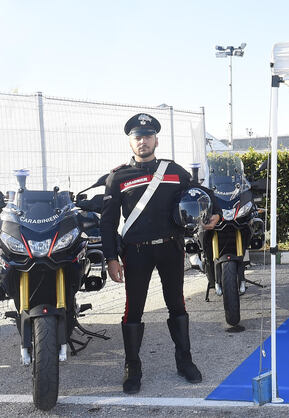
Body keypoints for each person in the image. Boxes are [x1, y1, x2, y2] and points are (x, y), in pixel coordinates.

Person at [100, 113, 220, 394]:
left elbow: (202, 192)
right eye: (137, 137)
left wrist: (215, 213)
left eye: (147, 136)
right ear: (131, 141)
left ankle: (184, 360)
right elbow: (107, 223)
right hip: (136, 252)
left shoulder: (173, 171)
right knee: (134, 309)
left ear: (156, 139)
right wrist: (111, 258)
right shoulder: (118, 177)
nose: (142, 141)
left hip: (170, 247)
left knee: (177, 303)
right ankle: (133, 367)